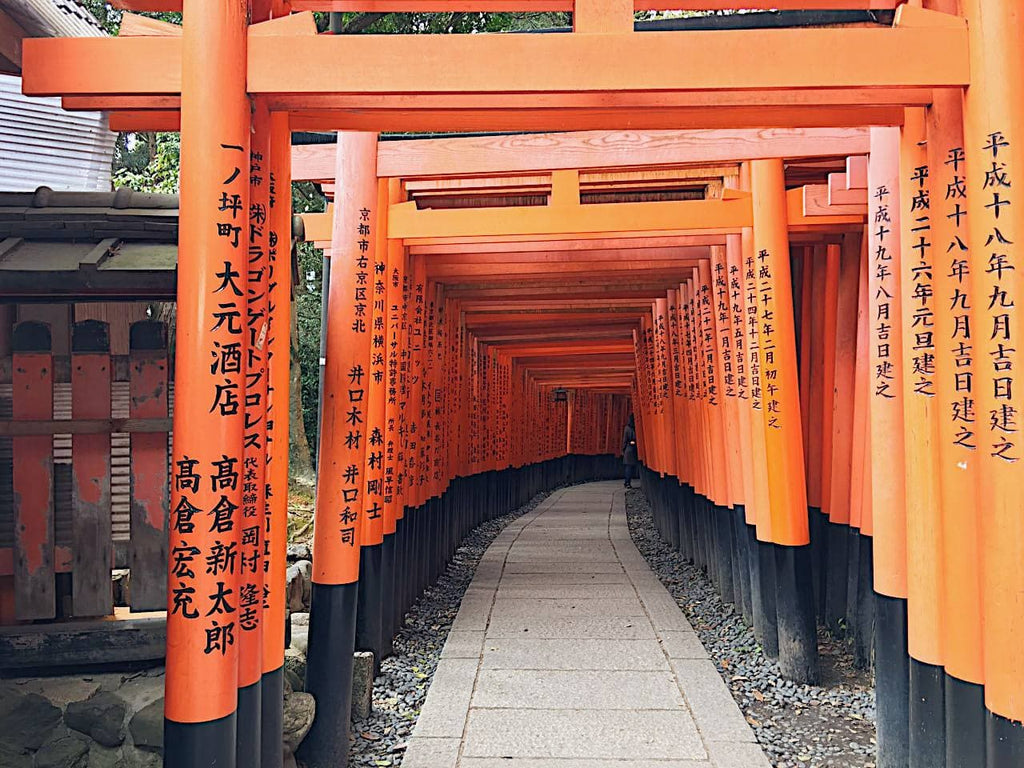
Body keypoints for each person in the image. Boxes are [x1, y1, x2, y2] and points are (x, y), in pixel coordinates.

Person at [622, 414, 638, 488]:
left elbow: (625, 440)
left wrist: (623, 449)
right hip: (634, 449)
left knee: (628, 467)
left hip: (628, 449)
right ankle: (627, 482)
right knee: (630, 468)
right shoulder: (635, 428)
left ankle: (627, 482)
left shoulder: (627, 428)